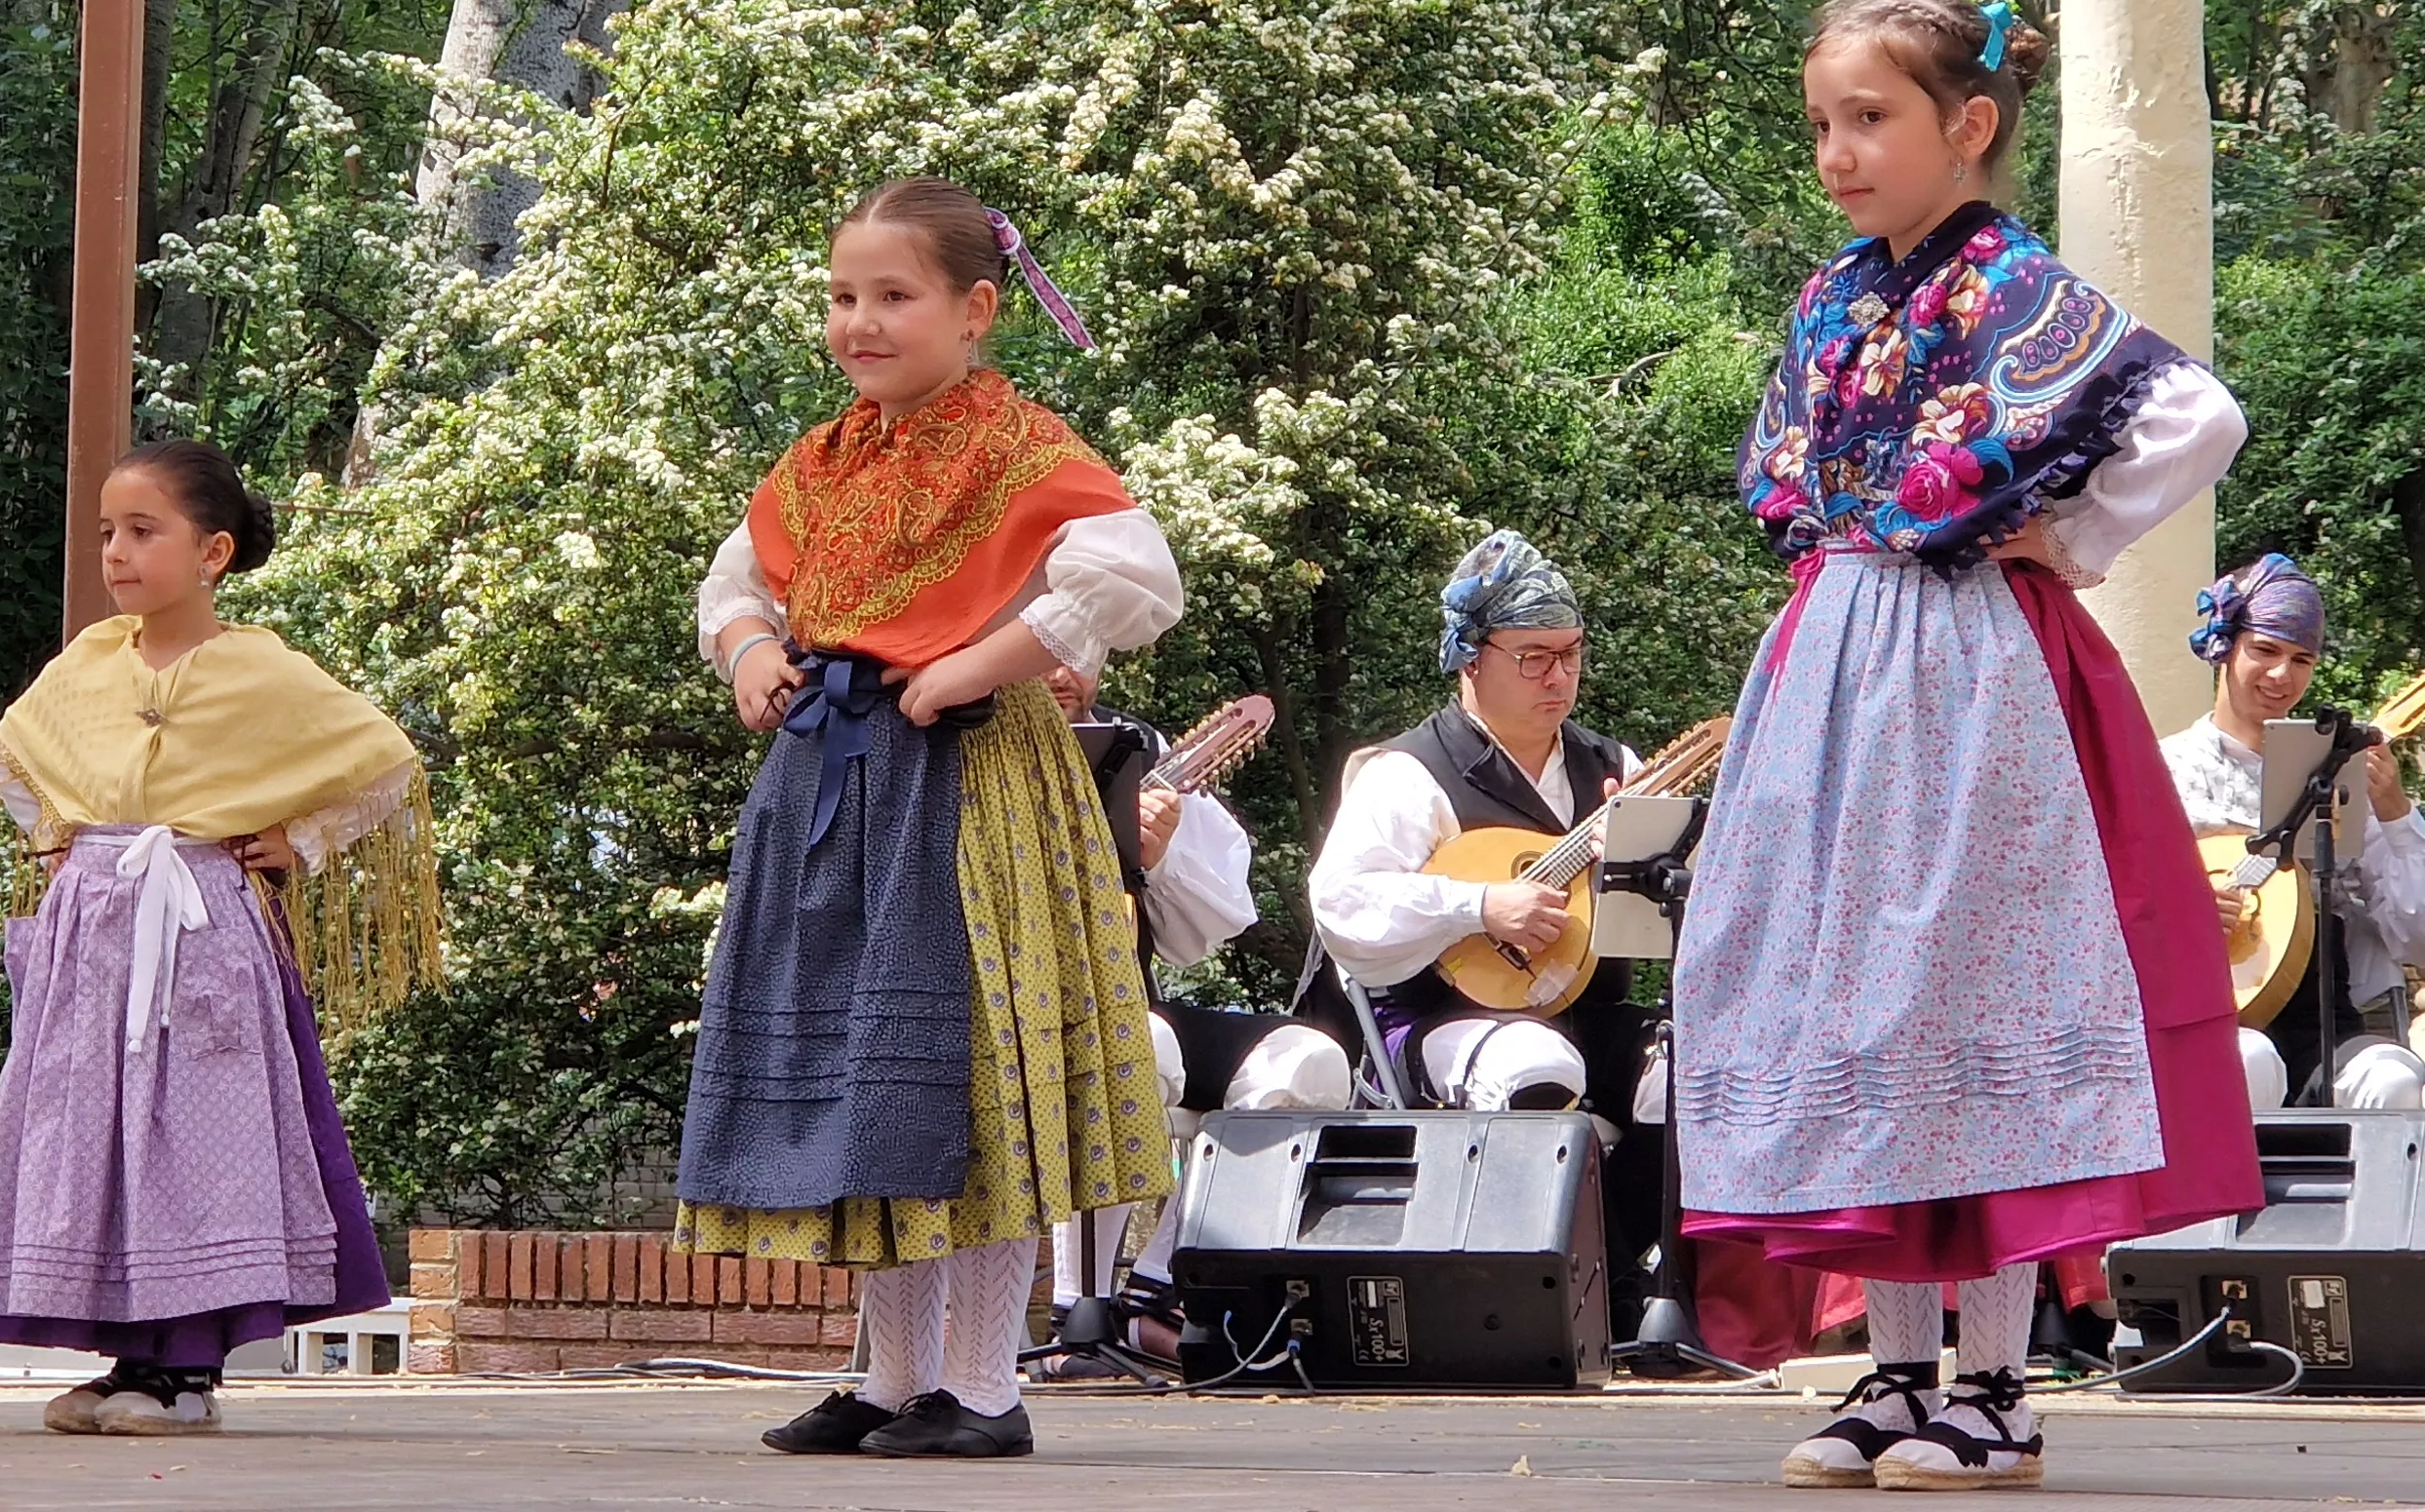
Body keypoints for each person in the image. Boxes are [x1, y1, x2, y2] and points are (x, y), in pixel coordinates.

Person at [1674, 0, 2257, 1492]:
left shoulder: (2010, 284)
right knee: (1857, 1001)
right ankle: (1894, 1370)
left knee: (1962, 989)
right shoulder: (1835, 295)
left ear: (1971, 126)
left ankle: (1993, 1386)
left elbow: (2193, 414)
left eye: (1869, 119)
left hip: (1965, 671)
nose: (1837, 151)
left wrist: (2068, 532)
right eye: (1823, 123)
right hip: (1835, 661)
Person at [680, 176, 1179, 1461]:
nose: (860, 321)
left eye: (893, 296)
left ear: (976, 310)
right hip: (835, 783)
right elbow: (738, 580)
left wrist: (978, 664)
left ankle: (985, 1386)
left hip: (969, 785)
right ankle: (893, 1379)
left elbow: (1131, 573)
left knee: (972, 1075)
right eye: (846, 296)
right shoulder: (831, 456)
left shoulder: (1021, 448)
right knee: (870, 1083)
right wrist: (747, 653)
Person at [0, 441, 417, 1437]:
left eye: (142, 531)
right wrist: (65, 841)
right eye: (108, 533)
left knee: (200, 1136)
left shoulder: (261, 668)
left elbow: (379, 760)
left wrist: (296, 840)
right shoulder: (88, 663)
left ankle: (190, 1370)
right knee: (106, 1136)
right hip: (100, 928)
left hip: (202, 923)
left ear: (212, 552)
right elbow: (12, 758)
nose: (116, 553)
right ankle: (132, 1356)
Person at [1305, 533, 1678, 1332]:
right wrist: (1478, 908)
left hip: (1587, 1007)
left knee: (1689, 1074)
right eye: (1534, 656)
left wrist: (1641, 866)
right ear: (1470, 658)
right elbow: (1342, 902)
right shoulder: (1409, 774)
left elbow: (1668, 928)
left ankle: (1610, 1281)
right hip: (1441, 1013)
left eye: (1572, 653)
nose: (1560, 675)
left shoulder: (1611, 764)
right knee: (1533, 1064)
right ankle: (1538, 1305)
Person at [1041, 668, 1350, 1367]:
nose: (1062, 670)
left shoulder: (1137, 749)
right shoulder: (961, 744)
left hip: (1127, 1003)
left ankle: (1157, 1289)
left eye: (1082, 648)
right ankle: (1075, 1316)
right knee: (1136, 1043)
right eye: (1045, 642)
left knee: (1305, 1062)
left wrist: (1159, 854)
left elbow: (1206, 932)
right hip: (999, 1021)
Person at [2165, 554, 2425, 1110]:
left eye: (2302, 658)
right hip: (2208, 1010)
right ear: (2224, 647)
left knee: (2394, 1077)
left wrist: (2394, 809)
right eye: (2266, 650)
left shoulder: (2341, 772)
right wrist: (2184, 909)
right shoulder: (2162, 773)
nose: (2282, 675)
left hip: (2328, 1016)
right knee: (2245, 1060)